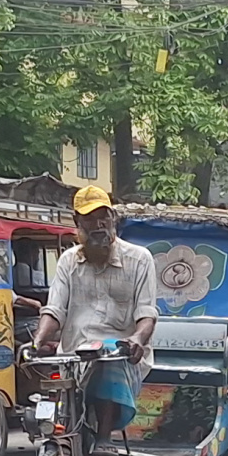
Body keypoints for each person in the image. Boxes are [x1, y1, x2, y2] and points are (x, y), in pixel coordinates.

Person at [31, 182, 156, 433]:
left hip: (121, 358)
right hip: (74, 357)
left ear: (113, 218)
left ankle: (104, 436)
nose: (98, 225)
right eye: (89, 219)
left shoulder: (140, 259)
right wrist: (37, 341)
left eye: (103, 217)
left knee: (106, 354)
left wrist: (137, 339)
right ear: (77, 222)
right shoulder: (68, 262)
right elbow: (54, 309)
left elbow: (146, 314)